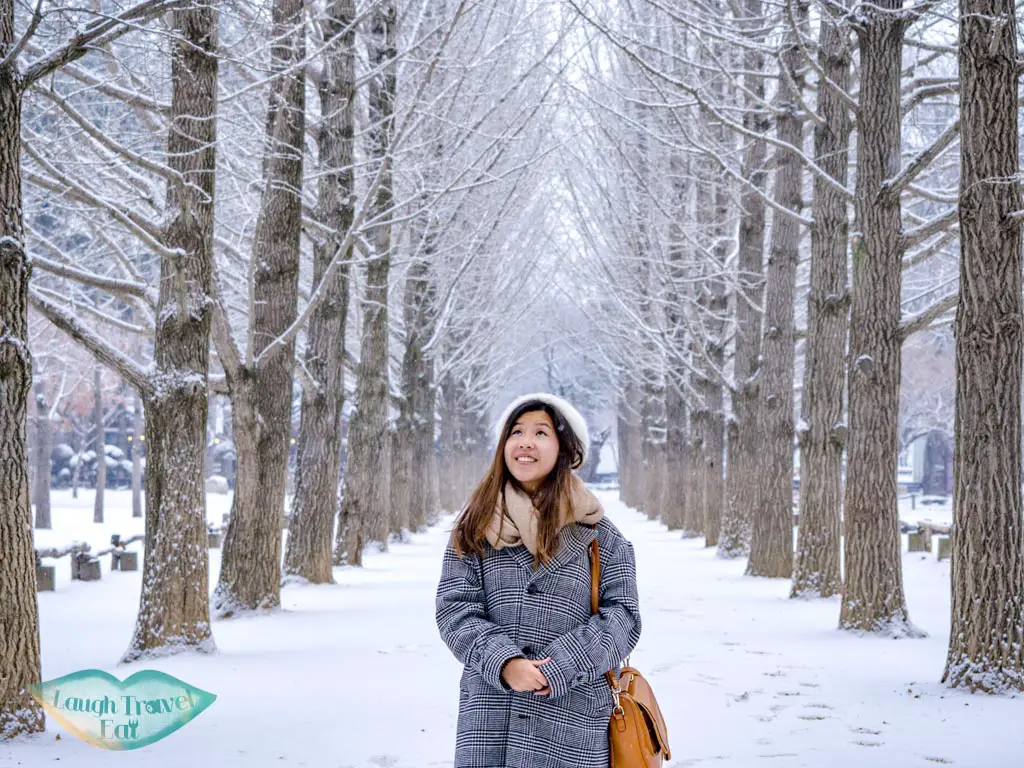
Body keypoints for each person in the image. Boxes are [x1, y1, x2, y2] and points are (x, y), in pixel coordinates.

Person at [435, 392, 642, 768]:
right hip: (491, 716)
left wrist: (563, 664)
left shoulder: (602, 536)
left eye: (541, 433)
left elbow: (624, 618)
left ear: (565, 450)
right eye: (516, 431)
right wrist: (504, 662)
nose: (526, 441)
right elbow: (455, 609)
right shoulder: (474, 529)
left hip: (573, 717)